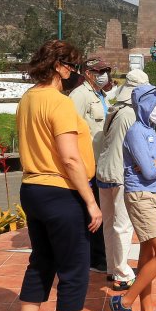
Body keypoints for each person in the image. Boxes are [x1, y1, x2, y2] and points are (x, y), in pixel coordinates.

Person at [12, 40, 107, 311]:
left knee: (41, 261)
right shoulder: (59, 102)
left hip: (32, 188)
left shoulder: (28, 99)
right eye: (70, 66)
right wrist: (90, 202)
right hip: (60, 191)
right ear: (57, 66)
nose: (73, 73)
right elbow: (69, 158)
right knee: (74, 267)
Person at [108, 83, 156, 311]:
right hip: (140, 196)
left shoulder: (151, 132)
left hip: (154, 194)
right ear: (146, 104)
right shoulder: (136, 132)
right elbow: (151, 170)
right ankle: (124, 302)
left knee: (148, 256)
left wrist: (155, 164)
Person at [95, 68, 149, 291]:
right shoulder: (131, 114)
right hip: (120, 173)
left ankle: (112, 267)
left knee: (110, 223)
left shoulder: (115, 109)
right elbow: (136, 147)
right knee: (123, 225)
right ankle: (122, 273)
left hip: (104, 171)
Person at [68, 58, 111, 274]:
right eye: (99, 71)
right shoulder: (79, 96)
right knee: (91, 212)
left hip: (101, 160)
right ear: (87, 72)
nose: (104, 74)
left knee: (100, 211)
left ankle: (99, 255)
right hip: (87, 163)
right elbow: (71, 130)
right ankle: (94, 258)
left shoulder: (101, 95)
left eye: (106, 70)